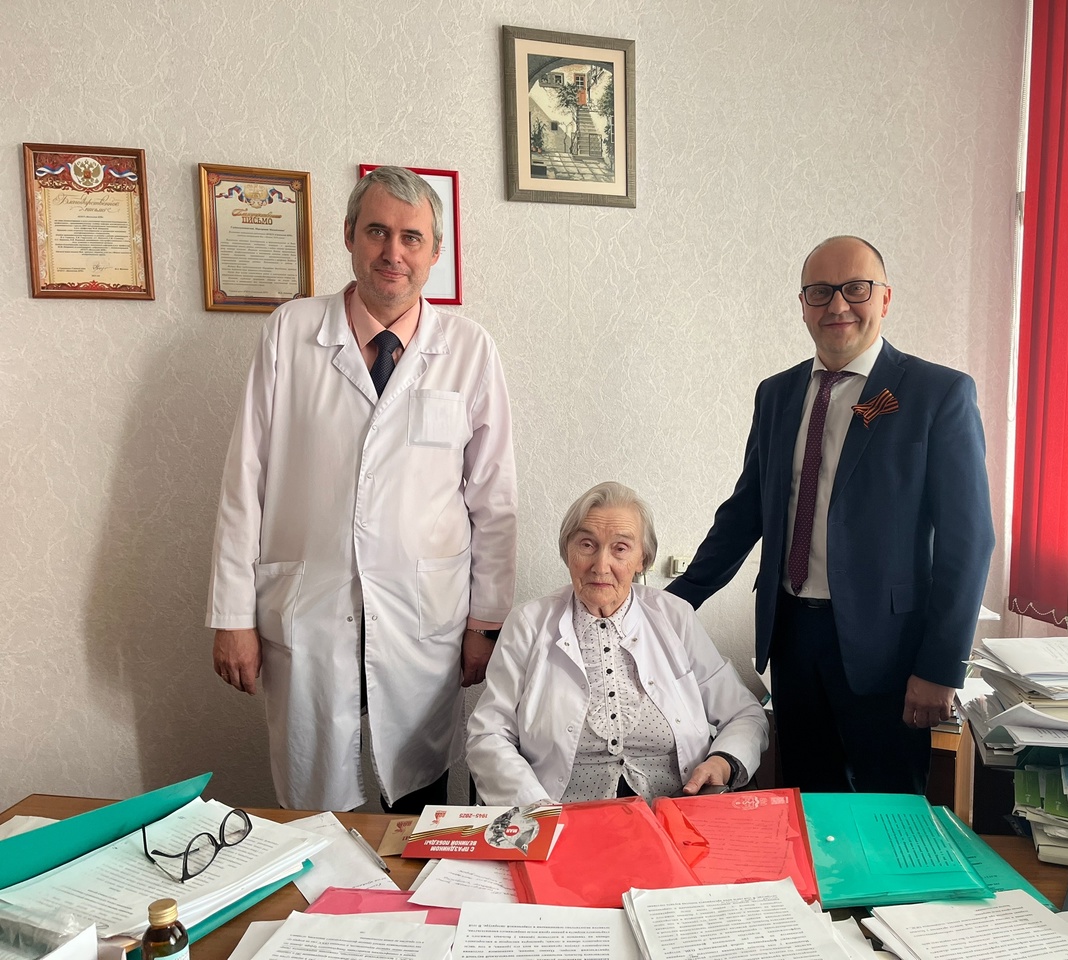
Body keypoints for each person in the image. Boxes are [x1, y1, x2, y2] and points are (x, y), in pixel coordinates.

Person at [206, 165, 517, 812]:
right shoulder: (290, 332)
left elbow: (494, 500)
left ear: (435, 252)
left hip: (424, 617)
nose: (392, 252)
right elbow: (244, 482)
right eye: (377, 231)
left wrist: (485, 624)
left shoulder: (469, 349)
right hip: (312, 611)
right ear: (349, 235)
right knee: (318, 808)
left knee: (421, 804)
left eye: (411, 237)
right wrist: (232, 615)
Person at [667, 236, 994, 795]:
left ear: (885, 299)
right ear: (803, 305)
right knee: (807, 805)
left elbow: (970, 541)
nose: (838, 305)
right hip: (793, 640)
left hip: (889, 653)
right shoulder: (776, 394)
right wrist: (670, 606)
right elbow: (745, 513)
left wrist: (941, 666)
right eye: (820, 291)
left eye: (855, 289)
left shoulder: (937, 394)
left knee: (888, 813)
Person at [467, 482, 768, 806]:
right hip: (563, 820)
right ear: (567, 551)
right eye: (587, 545)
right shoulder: (528, 624)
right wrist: (537, 809)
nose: (600, 565)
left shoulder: (674, 617)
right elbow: (488, 734)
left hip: (674, 814)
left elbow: (744, 713)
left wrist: (722, 762)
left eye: (620, 548)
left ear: (642, 559)